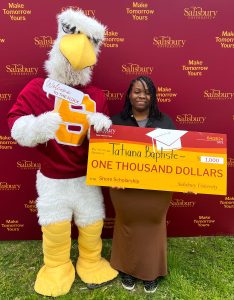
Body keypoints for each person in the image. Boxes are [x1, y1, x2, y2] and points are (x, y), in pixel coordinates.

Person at [109, 76, 175, 293]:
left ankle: (151, 272)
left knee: (152, 225)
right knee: (127, 224)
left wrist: (188, 179)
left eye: (147, 92)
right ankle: (127, 269)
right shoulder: (115, 122)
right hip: (123, 188)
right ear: (129, 94)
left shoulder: (165, 122)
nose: (142, 96)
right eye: (137, 91)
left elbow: (177, 158)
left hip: (156, 190)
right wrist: (111, 176)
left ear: (153, 96)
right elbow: (106, 157)